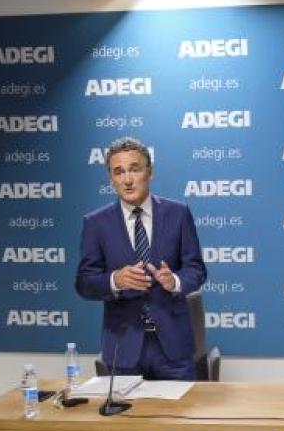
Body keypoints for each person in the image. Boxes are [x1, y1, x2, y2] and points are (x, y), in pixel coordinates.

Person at [75, 137, 207, 380]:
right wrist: (115, 280)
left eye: (134, 169)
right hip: (123, 349)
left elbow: (196, 269)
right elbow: (84, 282)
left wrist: (174, 282)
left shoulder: (178, 214)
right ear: (111, 179)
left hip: (173, 348)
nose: (127, 179)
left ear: (150, 172)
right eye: (119, 172)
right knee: (126, 418)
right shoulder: (95, 223)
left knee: (179, 417)